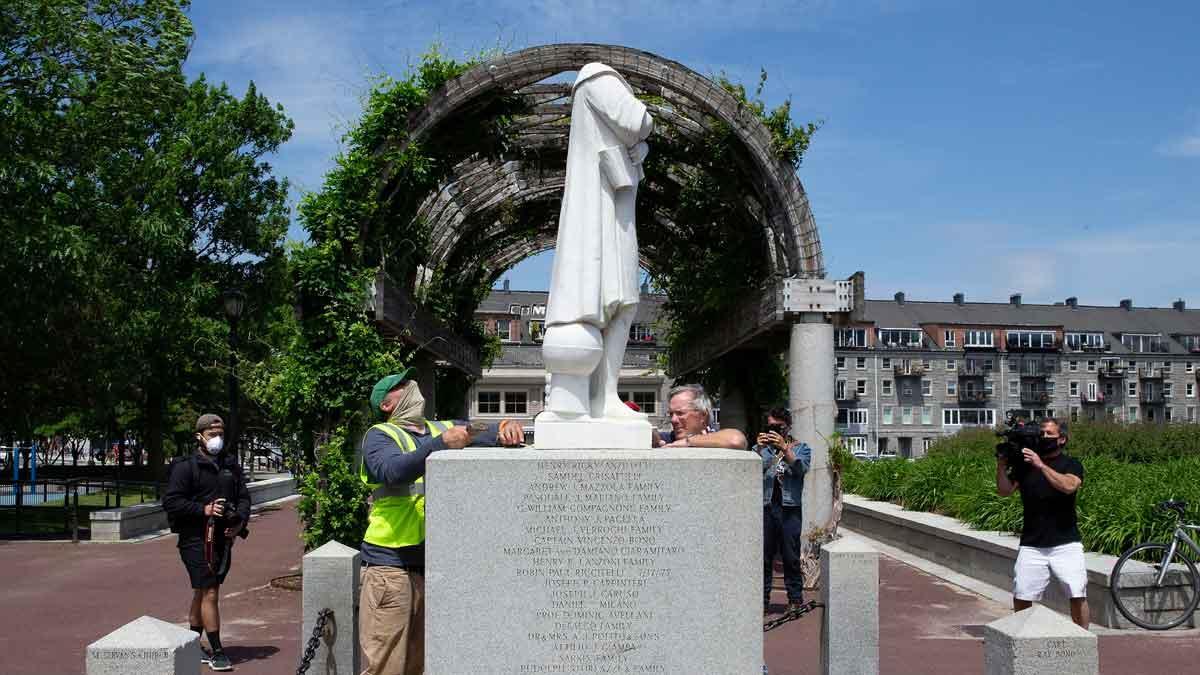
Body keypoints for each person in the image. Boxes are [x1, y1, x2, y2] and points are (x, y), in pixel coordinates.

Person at [358, 369, 524, 675]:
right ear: (386, 404)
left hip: (431, 568)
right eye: (402, 386)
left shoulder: (442, 427)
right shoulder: (380, 436)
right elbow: (392, 471)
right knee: (386, 668)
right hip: (389, 568)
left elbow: (480, 432)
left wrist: (504, 426)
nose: (412, 386)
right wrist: (439, 444)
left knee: (418, 666)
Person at [163, 414, 250, 672]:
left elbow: (244, 497)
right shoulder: (185, 467)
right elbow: (171, 502)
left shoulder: (230, 465)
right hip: (195, 539)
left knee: (202, 592)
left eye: (221, 434)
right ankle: (218, 651)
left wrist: (238, 523)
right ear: (199, 436)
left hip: (223, 538)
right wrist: (205, 509)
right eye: (212, 434)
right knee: (210, 591)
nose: (217, 439)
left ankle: (192, 642)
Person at [995, 417, 1089, 628]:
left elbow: (1068, 486)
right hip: (1032, 543)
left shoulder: (1071, 464)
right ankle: (1024, 636)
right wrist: (1001, 466)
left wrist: (1041, 465)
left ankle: (1084, 638)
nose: (1043, 437)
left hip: (1066, 542)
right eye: (1041, 434)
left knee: (1077, 593)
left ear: (1062, 439)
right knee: (1022, 594)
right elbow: (1004, 491)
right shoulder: (1024, 465)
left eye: (1049, 434)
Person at [754, 407, 810, 615]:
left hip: (790, 510)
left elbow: (801, 470)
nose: (773, 430)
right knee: (764, 557)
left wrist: (785, 450)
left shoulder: (801, 448)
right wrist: (760, 451)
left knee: (791, 556)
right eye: (769, 426)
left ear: (787, 427)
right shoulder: (759, 450)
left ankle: (795, 600)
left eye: (777, 426)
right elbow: (751, 474)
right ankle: (762, 602)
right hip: (766, 508)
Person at [651, 384, 747, 449]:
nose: (673, 420)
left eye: (680, 413)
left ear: (703, 416)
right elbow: (653, 437)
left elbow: (736, 440)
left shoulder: (718, 438)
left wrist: (688, 442)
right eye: (671, 414)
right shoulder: (668, 440)